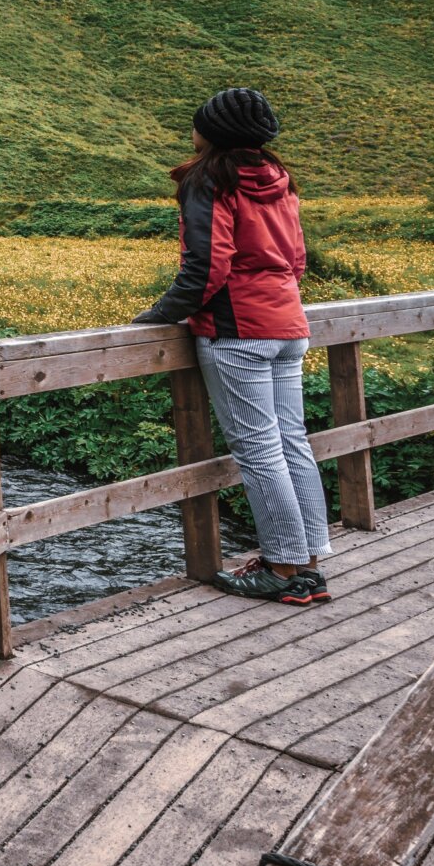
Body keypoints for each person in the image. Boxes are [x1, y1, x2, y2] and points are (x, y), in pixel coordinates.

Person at [132, 88, 331, 605]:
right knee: (291, 442)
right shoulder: (277, 179)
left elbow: (206, 267)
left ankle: (283, 570)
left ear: (213, 134)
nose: (191, 133)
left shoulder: (208, 180)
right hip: (288, 324)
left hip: (238, 330)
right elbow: (296, 260)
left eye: (196, 125)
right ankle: (307, 564)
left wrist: (159, 315)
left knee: (261, 451)